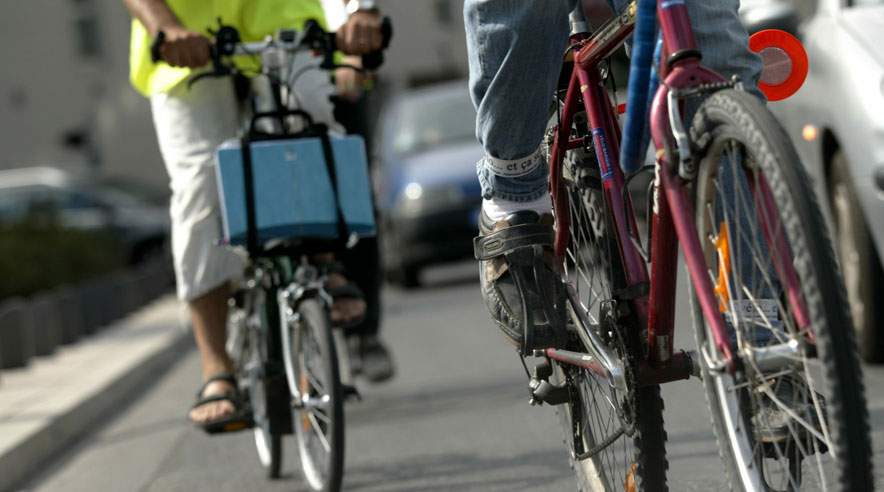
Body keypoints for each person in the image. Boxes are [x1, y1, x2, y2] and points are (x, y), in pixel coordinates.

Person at [123, 0, 389, 431]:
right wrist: (165, 28)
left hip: (281, 19)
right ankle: (216, 368)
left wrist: (361, 11)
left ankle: (322, 263)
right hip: (186, 41)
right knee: (201, 184)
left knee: (312, 128)